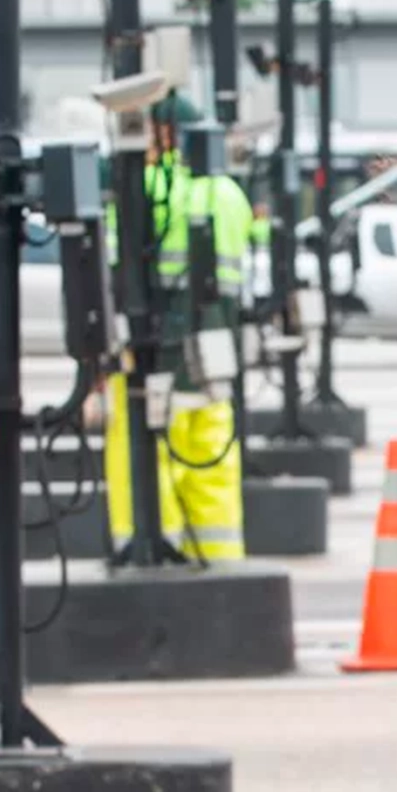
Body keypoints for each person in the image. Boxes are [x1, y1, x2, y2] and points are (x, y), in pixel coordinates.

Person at [102, 93, 250, 563]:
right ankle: (221, 558)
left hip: (157, 354)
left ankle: (148, 548)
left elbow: (114, 270)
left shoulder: (145, 188)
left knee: (146, 457)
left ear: (163, 133)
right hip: (214, 354)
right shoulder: (227, 192)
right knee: (212, 463)